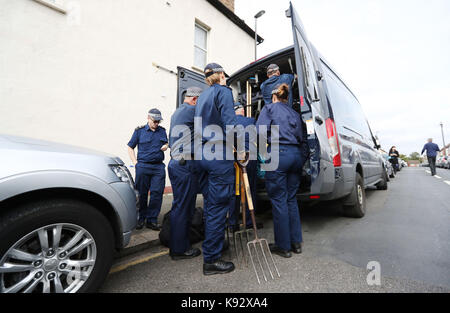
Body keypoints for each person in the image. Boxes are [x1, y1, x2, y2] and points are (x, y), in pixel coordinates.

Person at [194, 63, 245, 275]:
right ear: (222, 75)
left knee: (210, 204)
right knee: (218, 206)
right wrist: (240, 150)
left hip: (202, 153)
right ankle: (211, 260)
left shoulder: (203, 97)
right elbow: (231, 124)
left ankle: (214, 244)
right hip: (218, 154)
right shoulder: (224, 92)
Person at [256, 83, 305, 258]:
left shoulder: (269, 108)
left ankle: (283, 246)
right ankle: (296, 243)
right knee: (291, 199)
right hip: (295, 156)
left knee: (279, 200)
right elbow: (301, 138)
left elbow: (260, 133)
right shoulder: (294, 113)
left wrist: (264, 158)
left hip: (277, 155)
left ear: (274, 97)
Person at [167, 87, 204, 260]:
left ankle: (179, 242)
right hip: (184, 165)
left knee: (180, 206)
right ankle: (179, 249)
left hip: (176, 163)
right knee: (183, 207)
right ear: (195, 100)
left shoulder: (177, 113)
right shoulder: (192, 111)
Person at [128, 109, 168, 231]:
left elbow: (166, 143)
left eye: (158, 121)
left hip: (158, 167)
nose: (156, 123)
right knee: (141, 193)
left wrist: (166, 146)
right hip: (143, 166)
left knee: (157, 193)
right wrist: (136, 163)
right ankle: (141, 219)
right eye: (154, 121)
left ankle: (152, 220)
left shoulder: (162, 131)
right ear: (148, 118)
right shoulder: (139, 131)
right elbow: (130, 147)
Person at [229, 103, 259, 231]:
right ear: (242, 111)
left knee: (234, 190)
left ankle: (233, 223)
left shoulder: (228, 122)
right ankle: (248, 221)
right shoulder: (251, 120)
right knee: (249, 188)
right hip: (248, 157)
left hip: (233, 157)